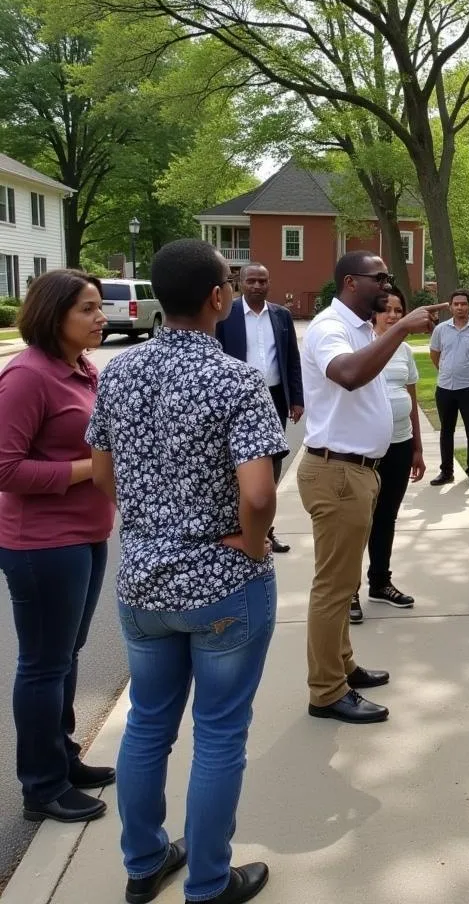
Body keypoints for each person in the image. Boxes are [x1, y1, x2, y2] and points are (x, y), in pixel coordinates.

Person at [86, 239, 289, 904]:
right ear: (217, 298)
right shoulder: (236, 379)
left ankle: (144, 863)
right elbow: (258, 495)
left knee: (147, 723)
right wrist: (255, 546)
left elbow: (101, 470)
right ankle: (207, 884)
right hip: (223, 583)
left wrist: (147, 526)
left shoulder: (117, 372)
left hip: (143, 582)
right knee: (220, 732)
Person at [298, 252, 442, 726]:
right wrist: (400, 330)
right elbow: (348, 374)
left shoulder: (361, 329)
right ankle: (326, 691)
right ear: (350, 281)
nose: (387, 283)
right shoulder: (327, 328)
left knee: (343, 584)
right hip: (337, 472)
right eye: (379, 277)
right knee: (334, 588)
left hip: (357, 471)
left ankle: (342, 666)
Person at [0, 271, 115, 825]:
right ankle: (41, 787)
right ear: (54, 315)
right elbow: (6, 468)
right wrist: (85, 469)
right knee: (44, 665)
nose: (101, 317)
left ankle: (63, 758)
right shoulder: (26, 376)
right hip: (41, 545)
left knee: (65, 657)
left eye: (99, 308)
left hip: (87, 535)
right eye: (89, 309)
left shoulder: (82, 369)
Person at [216, 262, 304, 553]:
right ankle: (238, 526)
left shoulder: (281, 315)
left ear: (269, 283)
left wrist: (297, 399)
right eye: (251, 281)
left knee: (272, 460)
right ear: (241, 283)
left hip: (274, 398)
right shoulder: (226, 317)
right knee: (238, 463)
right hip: (236, 400)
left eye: (262, 281)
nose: (257, 286)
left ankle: (266, 529)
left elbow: (291, 359)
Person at [349, 288, 425, 625]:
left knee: (386, 518)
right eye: (387, 310)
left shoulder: (405, 350)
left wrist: (418, 448)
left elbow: (412, 400)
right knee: (358, 521)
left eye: (399, 310)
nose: (393, 316)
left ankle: (379, 583)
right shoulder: (361, 348)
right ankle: (349, 590)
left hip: (400, 445)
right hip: (367, 449)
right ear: (374, 314)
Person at [429, 288, 469, 488]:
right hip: (445, 388)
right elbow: (435, 354)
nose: (460, 307)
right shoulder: (441, 330)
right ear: (451, 306)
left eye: (463, 304)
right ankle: (446, 472)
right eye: (456, 304)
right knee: (446, 430)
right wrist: (446, 370)